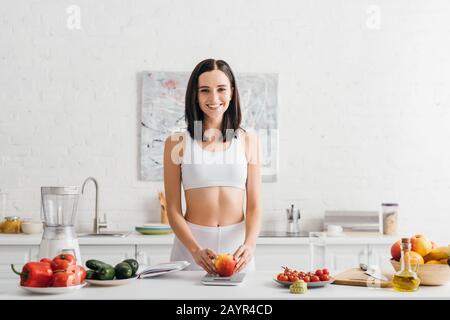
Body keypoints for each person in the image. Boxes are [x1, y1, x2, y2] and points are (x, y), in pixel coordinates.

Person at [163, 58, 262, 274]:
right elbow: (172, 209)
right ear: (195, 96)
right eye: (205, 90)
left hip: (238, 251)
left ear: (232, 93)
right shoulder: (176, 142)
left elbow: (254, 205)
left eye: (221, 89)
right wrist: (195, 250)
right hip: (191, 250)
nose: (214, 98)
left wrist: (250, 245)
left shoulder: (248, 140)